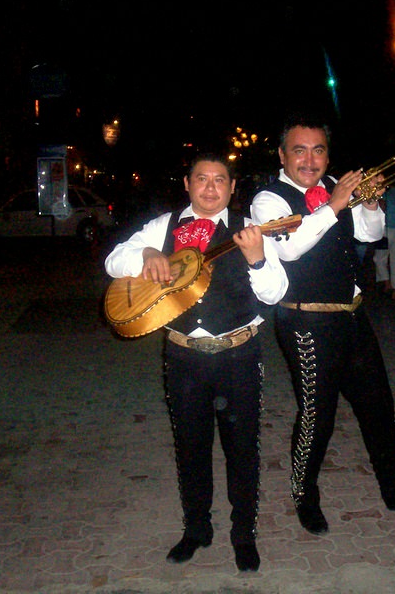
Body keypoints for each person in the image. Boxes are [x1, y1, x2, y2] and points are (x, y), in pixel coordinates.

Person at [250, 116, 395, 536]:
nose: (310, 159)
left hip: (351, 313)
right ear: (283, 155)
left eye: (318, 149)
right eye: (299, 150)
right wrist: (335, 204)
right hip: (304, 319)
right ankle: (306, 497)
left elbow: (370, 234)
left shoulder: (335, 184)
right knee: (316, 417)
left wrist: (371, 202)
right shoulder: (269, 199)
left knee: (379, 405)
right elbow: (290, 250)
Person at [104, 153, 289, 572]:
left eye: (219, 180)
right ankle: (196, 530)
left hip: (239, 354)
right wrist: (149, 254)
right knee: (190, 448)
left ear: (232, 187)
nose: (210, 187)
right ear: (187, 184)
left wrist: (257, 258)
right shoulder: (163, 226)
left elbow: (275, 293)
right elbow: (113, 261)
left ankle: (244, 535)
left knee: (243, 451)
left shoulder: (249, 230)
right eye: (201, 179)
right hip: (183, 355)